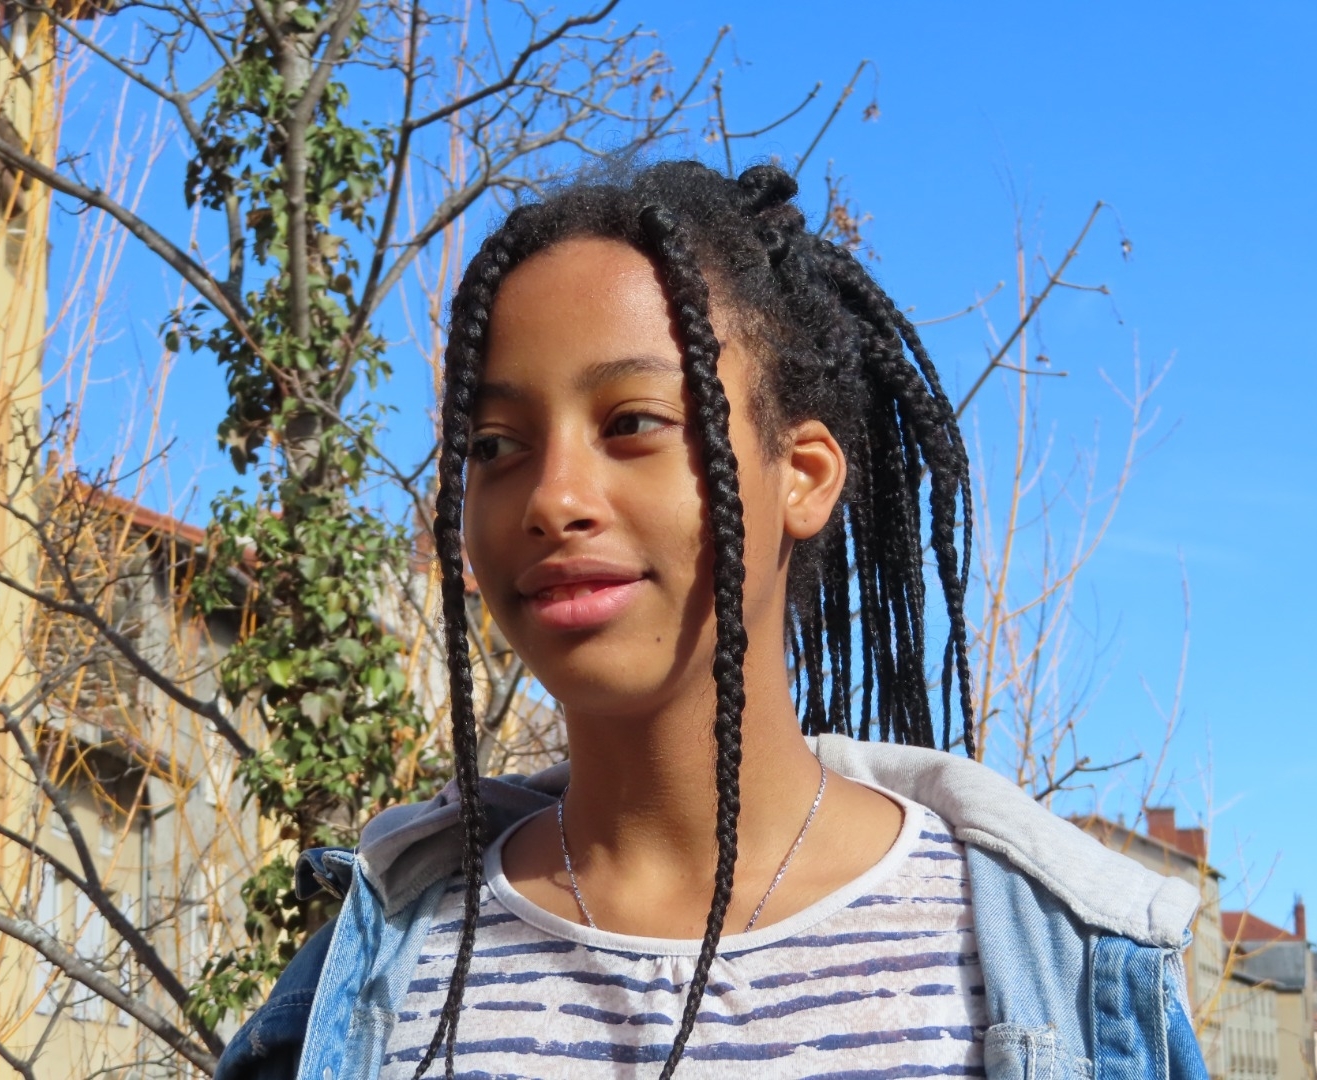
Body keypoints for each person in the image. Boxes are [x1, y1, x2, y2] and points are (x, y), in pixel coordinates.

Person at [216, 160, 1208, 1080]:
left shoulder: (1052, 966)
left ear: (802, 475)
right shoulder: (371, 977)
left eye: (632, 423)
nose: (552, 498)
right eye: (495, 444)